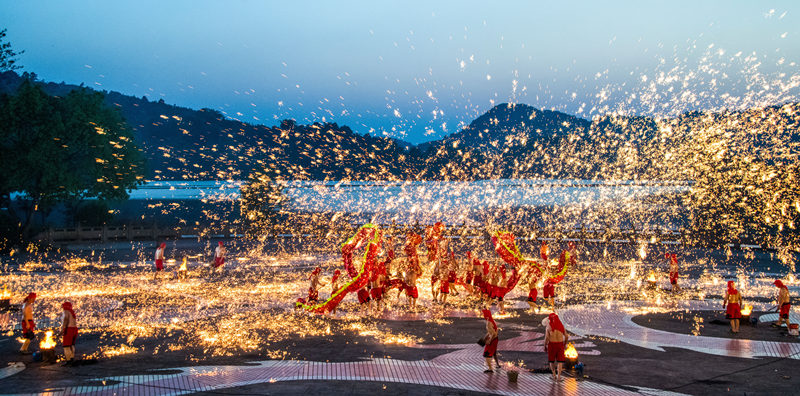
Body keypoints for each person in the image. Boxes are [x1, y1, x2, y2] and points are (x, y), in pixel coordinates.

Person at [545, 312, 569, 381]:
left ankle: (554, 375)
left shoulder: (548, 327)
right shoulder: (561, 326)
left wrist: (545, 345)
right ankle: (559, 377)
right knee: (560, 361)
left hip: (552, 344)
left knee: (551, 361)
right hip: (560, 344)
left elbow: (547, 338)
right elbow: (566, 336)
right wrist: (565, 343)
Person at [481, 309, 499, 373]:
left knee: (487, 354)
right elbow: (490, 332)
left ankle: (490, 369)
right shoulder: (490, 321)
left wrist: (489, 341)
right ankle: (497, 365)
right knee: (493, 353)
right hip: (494, 339)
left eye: (484, 314)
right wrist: (485, 338)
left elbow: (493, 333)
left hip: (493, 340)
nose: (483, 315)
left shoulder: (489, 323)